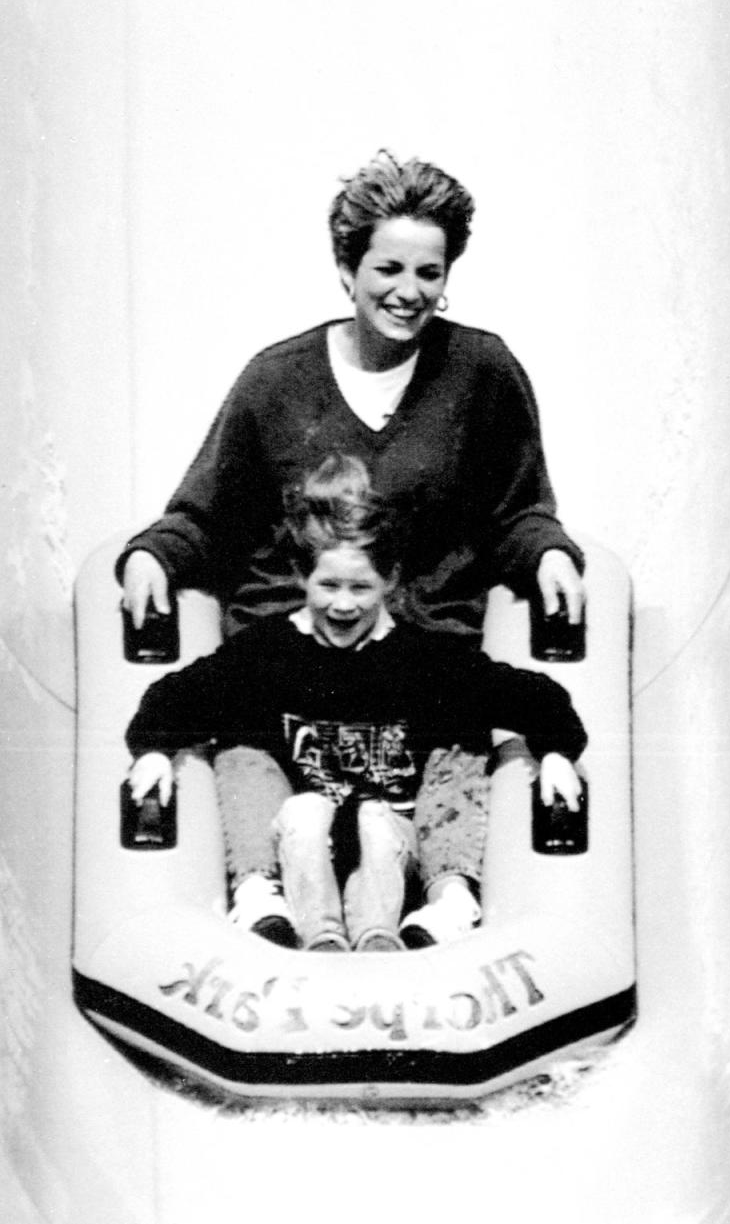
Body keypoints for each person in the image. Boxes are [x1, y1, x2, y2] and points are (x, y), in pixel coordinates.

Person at [118, 149, 585, 943]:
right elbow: (208, 513)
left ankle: (437, 895)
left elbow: (520, 508)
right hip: (292, 677)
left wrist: (546, 551)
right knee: (253, 760)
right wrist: (152, 555)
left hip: (418, 663)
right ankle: (264, 898)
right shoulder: (277, 382)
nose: (408, 291)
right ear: (347, 266)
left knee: (450, 760)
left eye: (430, 272)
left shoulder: (482, 373)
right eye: (388, 266)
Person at [125, 455, 586, 953]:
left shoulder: (424, 658)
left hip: (396, 846)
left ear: (389, 580)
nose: (343, 604)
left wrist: (557, 753)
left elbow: (534, 697)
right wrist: (153, 751)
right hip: (300, 845)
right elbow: (176, 696)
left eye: (361, 587)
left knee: (458, 753)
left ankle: (447, 900)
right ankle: (262, 896)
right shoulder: (267, 653)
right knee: (244, 756)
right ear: (302, 576)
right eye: (329, 585)